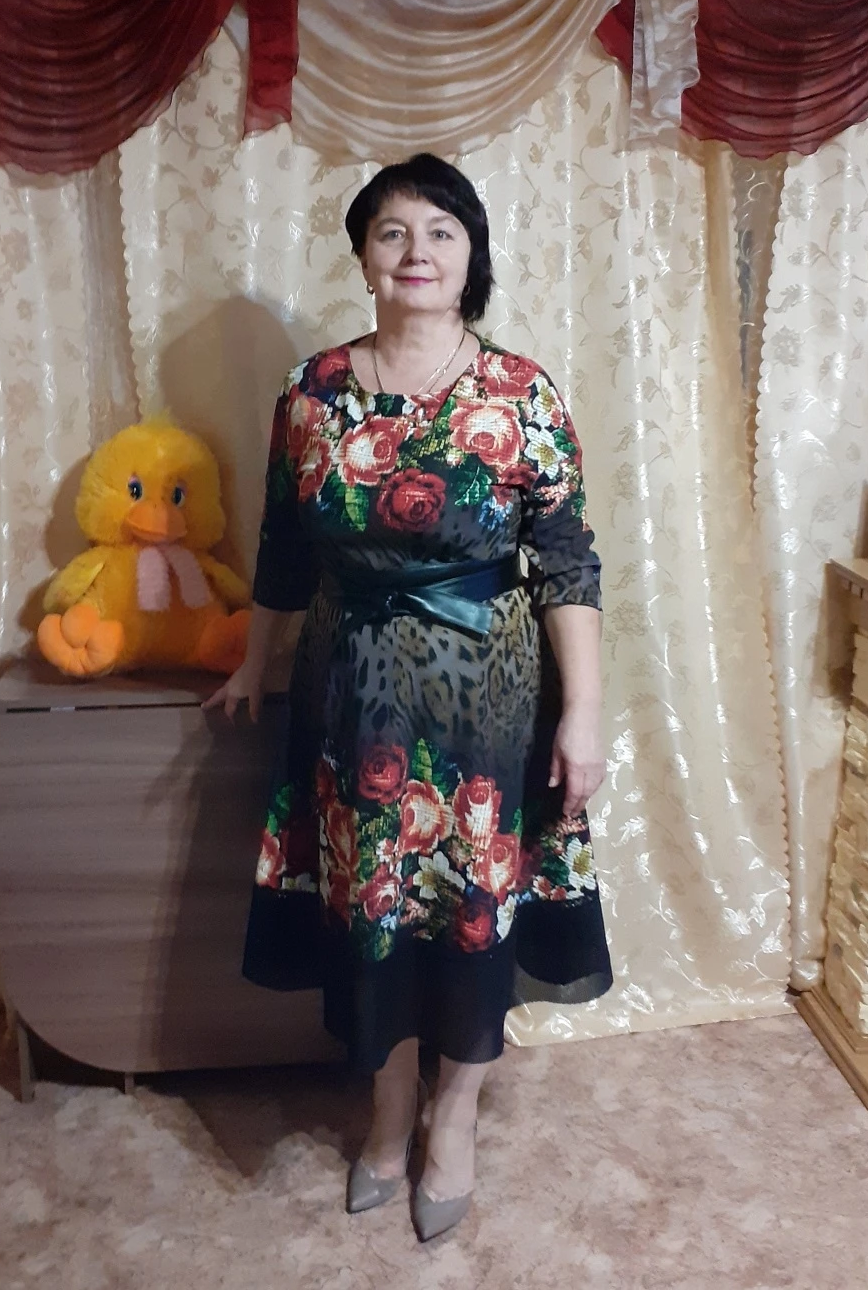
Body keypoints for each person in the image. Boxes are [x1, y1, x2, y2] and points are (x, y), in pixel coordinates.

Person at [205, 153, 611, 1241]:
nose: (415, 251)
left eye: (440, 231)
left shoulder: (522, 393)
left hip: (490, 700)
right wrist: (253, 660)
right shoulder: (312, 390)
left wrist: (583, 712)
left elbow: (568, 562)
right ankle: (387, 1111)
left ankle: (455, 1118)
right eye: (392, 231)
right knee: (369, 905)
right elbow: (284, 547)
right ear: (363, 257)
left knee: (473, 904)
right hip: (350, 695)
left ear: (471, 257)